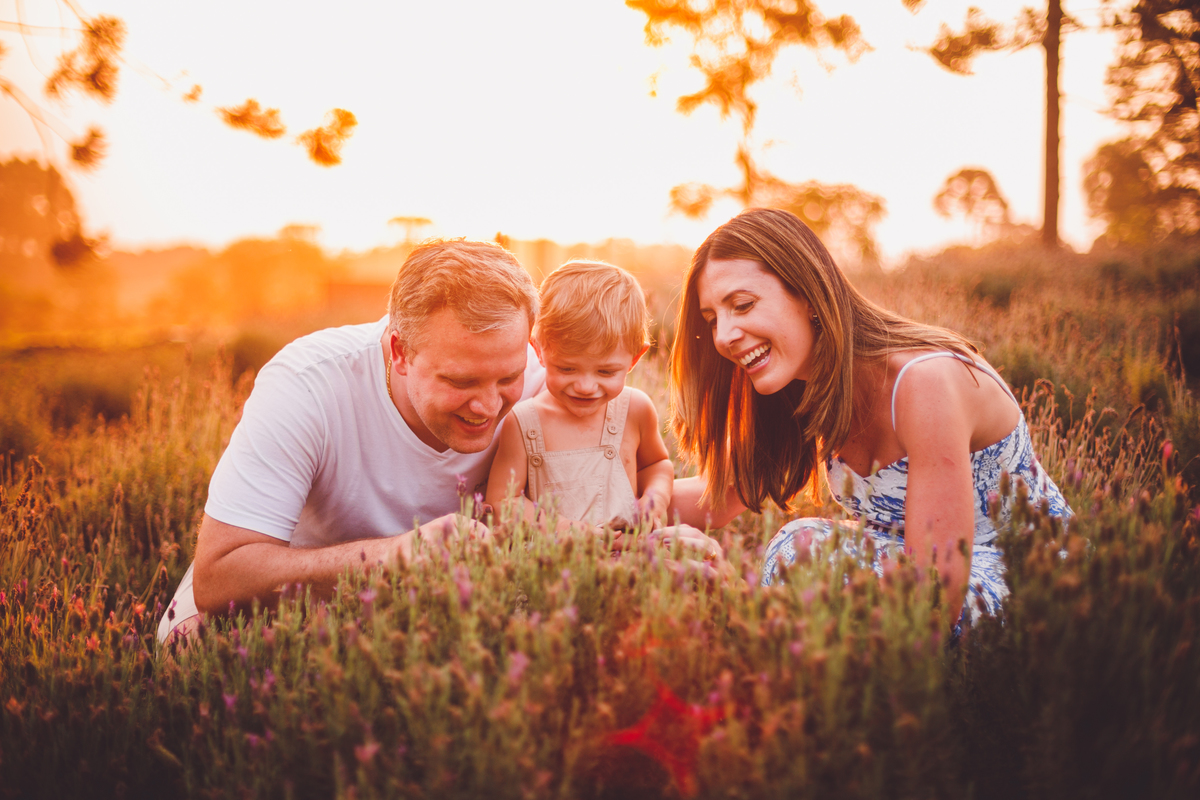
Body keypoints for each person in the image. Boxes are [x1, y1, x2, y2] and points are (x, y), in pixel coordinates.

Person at [663, 208, 1071, 626]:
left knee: (817, 572)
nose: (725, 336)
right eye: (713, 320)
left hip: (1039, 583)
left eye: (743, 305)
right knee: (799, 546)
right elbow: (717, 497)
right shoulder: (803, 380)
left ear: (806, 292)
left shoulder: (923, 383)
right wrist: (609, 504)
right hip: (910, 571)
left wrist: (741, 606)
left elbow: (935, 593)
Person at [157, 238, 545, 642]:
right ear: (400, 351)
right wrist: (388, 560)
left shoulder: (549, 385)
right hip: (289, 605)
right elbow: (219, 579)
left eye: (508, 378)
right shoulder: (307, 385)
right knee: (192, 645)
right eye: (461, 380)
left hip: (445, 614)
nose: (487, 406)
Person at [485, 260, 674, 535]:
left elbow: (657, 465)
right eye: (567, 368)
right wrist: (572, 531)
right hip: (557, 562)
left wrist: (655, 499)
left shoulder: (636, 410)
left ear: (634, 358)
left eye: (606, 371)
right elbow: (504, 501)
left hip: (631, 553)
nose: (586, 386)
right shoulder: (524, 423)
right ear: (539, 350)